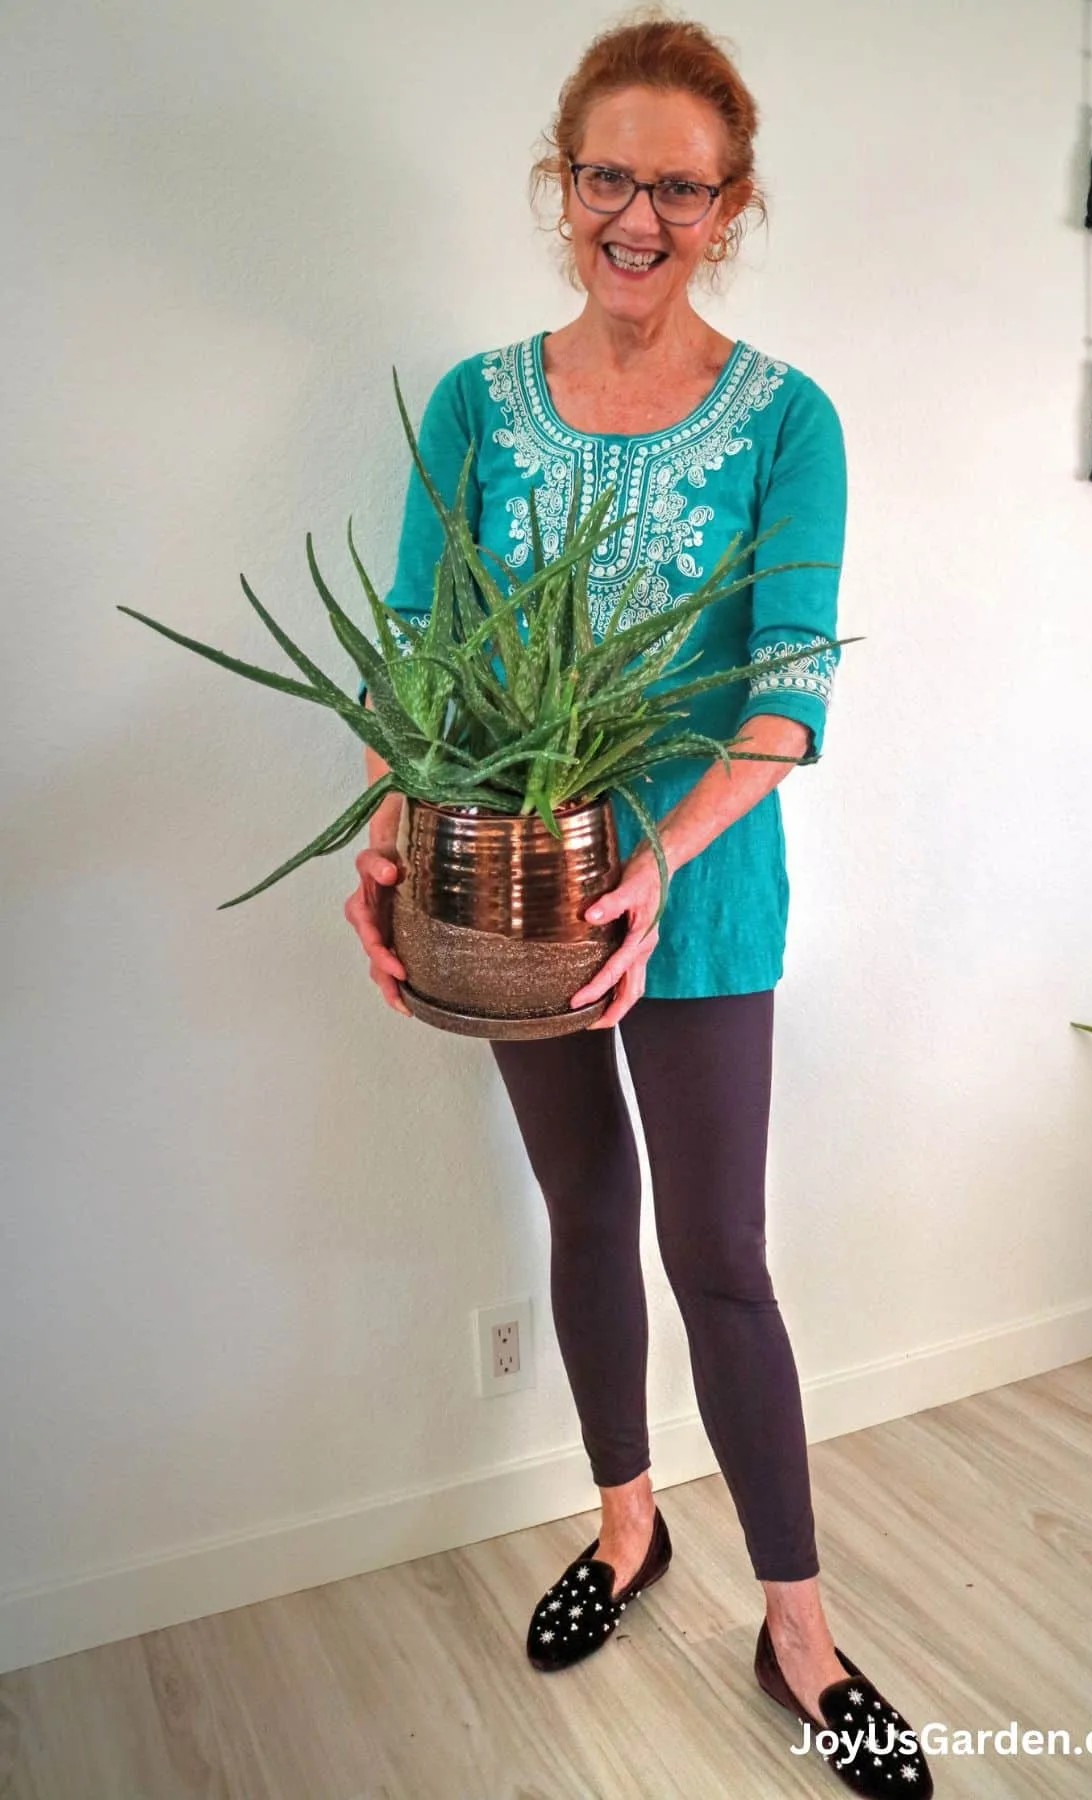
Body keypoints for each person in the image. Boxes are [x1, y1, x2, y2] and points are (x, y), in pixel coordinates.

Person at [345, 15, 932, 1796]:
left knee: (723, 1259)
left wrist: (661, 862)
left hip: (700, 898)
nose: (639, 213)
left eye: (680, 186)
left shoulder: (787, 421)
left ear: (728, 206)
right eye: (611, 175)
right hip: (505, 896)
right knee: (584, 1213)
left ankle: (803, 1629)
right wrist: (383, 836)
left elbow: (787, 695)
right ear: (563, 182)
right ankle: (625, 1530)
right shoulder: (472, 405)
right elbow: (420, 655)